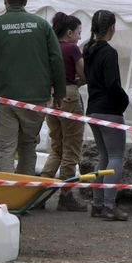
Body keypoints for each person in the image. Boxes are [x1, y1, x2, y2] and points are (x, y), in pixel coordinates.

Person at [0, 0, 65, 175]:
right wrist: (59, 93)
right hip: (36, 99)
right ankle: (25, 191)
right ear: (25, 1)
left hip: (6, 98)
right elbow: (56, 60)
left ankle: (6, 192)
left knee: (5, 149)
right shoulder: (42, 26)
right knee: (28, 146)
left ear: (5, 1)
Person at [83, 9, 129, 221]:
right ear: (112, 28)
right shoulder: (109, 52)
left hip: (93, 108)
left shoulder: (88, 49)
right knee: (116, 157)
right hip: (109, 110)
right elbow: (112, 84)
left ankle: (98, 203)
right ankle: (109, 205)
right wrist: (124, 100)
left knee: (103, 156)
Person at [39, 12, 87, 209]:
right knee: (71, 147)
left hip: (50, 97)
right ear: (69, 33)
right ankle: (66, 195)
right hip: (69, 96)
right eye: (78, 33)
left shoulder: (49, 47)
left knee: (56, 148)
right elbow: (83, 74)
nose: (79, 37)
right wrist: (78, 81)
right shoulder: (72, 48)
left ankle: (39, 195)